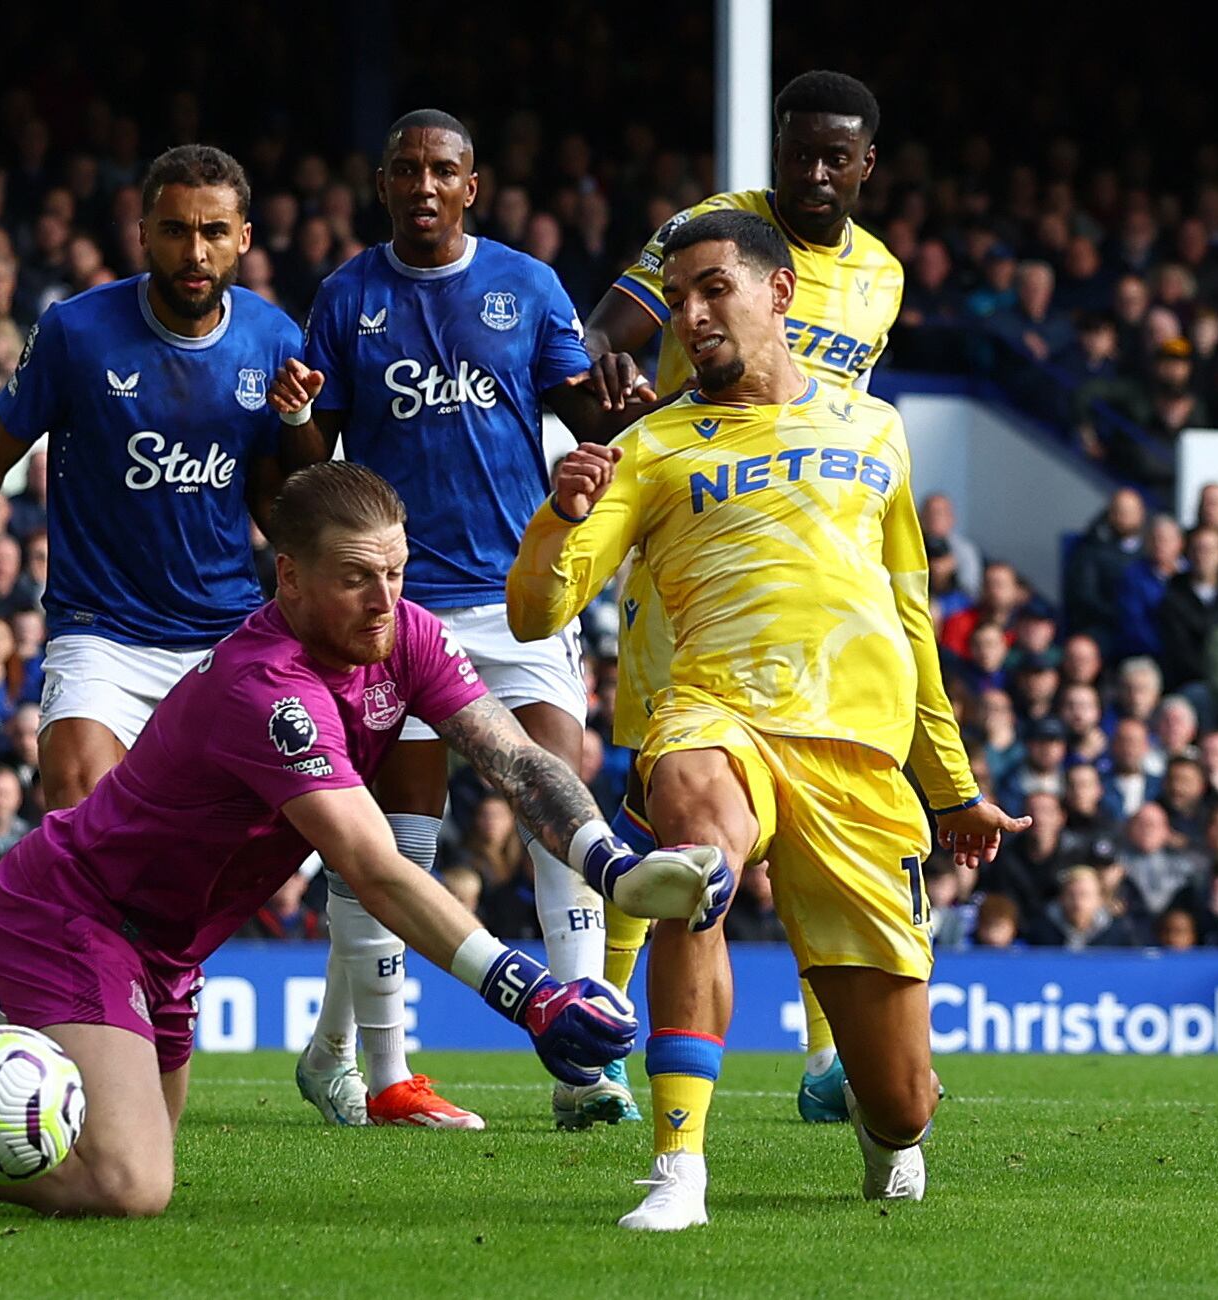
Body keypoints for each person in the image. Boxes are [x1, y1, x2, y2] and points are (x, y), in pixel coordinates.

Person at [0, 463, 727, 1217]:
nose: (385, 598)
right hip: (73, 913)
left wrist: (610, 863)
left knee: (116, 1156)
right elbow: (371, 866)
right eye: (356, 578)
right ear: (288, 578)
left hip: (166, 944)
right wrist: (527, 992)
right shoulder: (268, 688)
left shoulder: (402, 632)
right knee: (127, 1184)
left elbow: (515, 761)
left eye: (395, 571)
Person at [505, 211, 1024, 1229]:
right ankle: (677, 1169)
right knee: (695, 860)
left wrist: (953, 788)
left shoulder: (874, 429)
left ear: (777, 292)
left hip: (856, 760)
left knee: (901, 1102)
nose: (691, 315)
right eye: (677, 299)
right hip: (715, 717)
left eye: (713, 289)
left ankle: (886, 1128)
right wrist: (558, 517)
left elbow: (910, 617)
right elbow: (535, 611)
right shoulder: (649, 444)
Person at [279, 110, 641, 1131]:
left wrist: (619, 389)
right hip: (396, 604)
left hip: (517, 594)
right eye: (406, 170)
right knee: (399, 840)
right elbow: (313, 463)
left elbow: (594, 415)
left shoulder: (527, 285)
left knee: (558, 804)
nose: (425, 185)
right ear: (383, 184)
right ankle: (386, 1071)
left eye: (443, 170)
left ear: (470, 186)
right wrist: (296, 411)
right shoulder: (347, 296)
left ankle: (587, 1069)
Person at [576, 70, 908, 1126]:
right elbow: (599, 336)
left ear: (865, 165)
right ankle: (599, 1042)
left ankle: (826, 1054)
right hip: (699, 541)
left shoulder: (882, 276)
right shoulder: (709, 232)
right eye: (796, 151)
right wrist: (614, 379)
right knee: (666, 801)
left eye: (834, 157)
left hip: (818, 572)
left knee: (816, 801)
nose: (812, 173)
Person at [0, 144, 318, 814]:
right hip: (101, 633)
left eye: (214, 232)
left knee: (266, 828)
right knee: (82, 817)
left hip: (224, 631)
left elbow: (283, 498)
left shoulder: (274, 338)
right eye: (175, 230)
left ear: (244, 239)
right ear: (143, 234)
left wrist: (299, 422)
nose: (195, 252)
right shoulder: (75, 332)